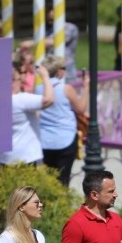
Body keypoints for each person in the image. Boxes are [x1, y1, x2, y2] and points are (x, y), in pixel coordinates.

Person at [37, 55, 88, 187]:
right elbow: (81, 108)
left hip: (45, 140)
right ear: (59, 71)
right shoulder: (66, 88)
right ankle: (61, 206)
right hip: (65, 138)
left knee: (49, 179)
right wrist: (86, 87)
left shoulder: (38, 89)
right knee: (63, 179)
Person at [0, 62, 54, 168]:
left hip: (3, 156)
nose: (21, 82)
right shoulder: (20, 100)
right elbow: (49, 100)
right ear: (12, 81)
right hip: (24, 157)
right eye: (19, 79)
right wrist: (45, 76)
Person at [20, 6, 79, 83]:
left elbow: (57, 41)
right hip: (50, 71)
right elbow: (44, 47)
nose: (51, 20)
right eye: (50, 19)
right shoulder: (49, 31)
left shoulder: (70, 28)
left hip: (67, 72)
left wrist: (31, 43)